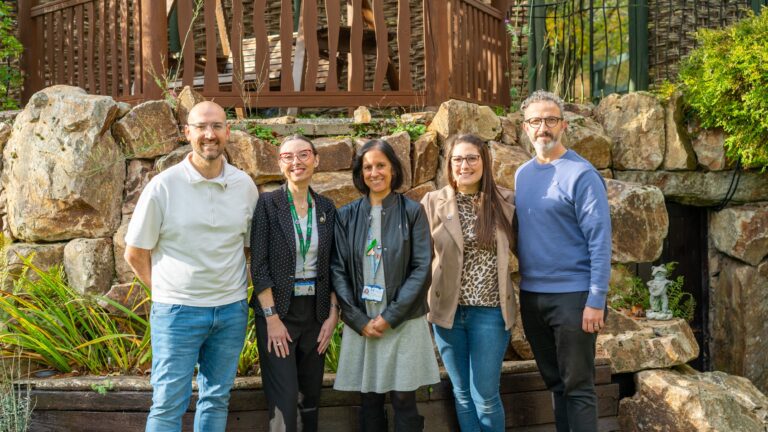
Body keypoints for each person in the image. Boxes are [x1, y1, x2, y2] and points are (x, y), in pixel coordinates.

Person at [124, 101, 259, 432]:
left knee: (216, 399)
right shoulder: (163, 187)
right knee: (169, 403)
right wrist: (166, 293)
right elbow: (135, 252)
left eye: (216, 126)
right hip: (178, 313)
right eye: (201, 127)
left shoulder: (245, 187)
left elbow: (249, 250)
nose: (209, 135)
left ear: (228, 131)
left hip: (230, 312)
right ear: (188, 133)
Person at [514, 90, 612, 432]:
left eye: (551, 120)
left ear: (563, 125)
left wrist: (596, 299)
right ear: (525, 128)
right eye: (536, 121)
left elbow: (600, 241)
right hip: (532, 297)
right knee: (556, 385)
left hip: (574, 298)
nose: (544, 128)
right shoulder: (522, 175)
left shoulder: (581, 175)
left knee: (578, 388)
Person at [331, 139, 440, 432]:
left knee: (404, 399)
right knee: (369, 399)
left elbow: (422, 268)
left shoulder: (412, 212)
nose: (374, 172)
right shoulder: (347, 215)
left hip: (402, 320)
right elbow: (338, 270)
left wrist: (390, 317)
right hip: (363, 321)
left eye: (381, 165)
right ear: (360, 173)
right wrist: (357, 319)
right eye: (367, 167)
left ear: (393, 169)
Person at [421, 133, 516, 431]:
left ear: (484, 162)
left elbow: (527, 250)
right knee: (461, 395)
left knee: (485, 396)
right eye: (457, 159)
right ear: (449, 164)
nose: (465, 165)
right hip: (447, 314)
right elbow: (421, 258)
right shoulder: (433, 202)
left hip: (490, 313)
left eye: (472, 158)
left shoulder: (505, 201)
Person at [250, 134, 339, 431]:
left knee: (310, 398)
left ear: (315, 159)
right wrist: (271, 318)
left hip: (316, 313)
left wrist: (333, 314)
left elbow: (335, 265)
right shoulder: (268, 204)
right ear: (279, 164)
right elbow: (259, 265)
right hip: (279, 313)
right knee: (285, 399)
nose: (296, 162)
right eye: (288, 157)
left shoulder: (327, 207)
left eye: (303, 154)